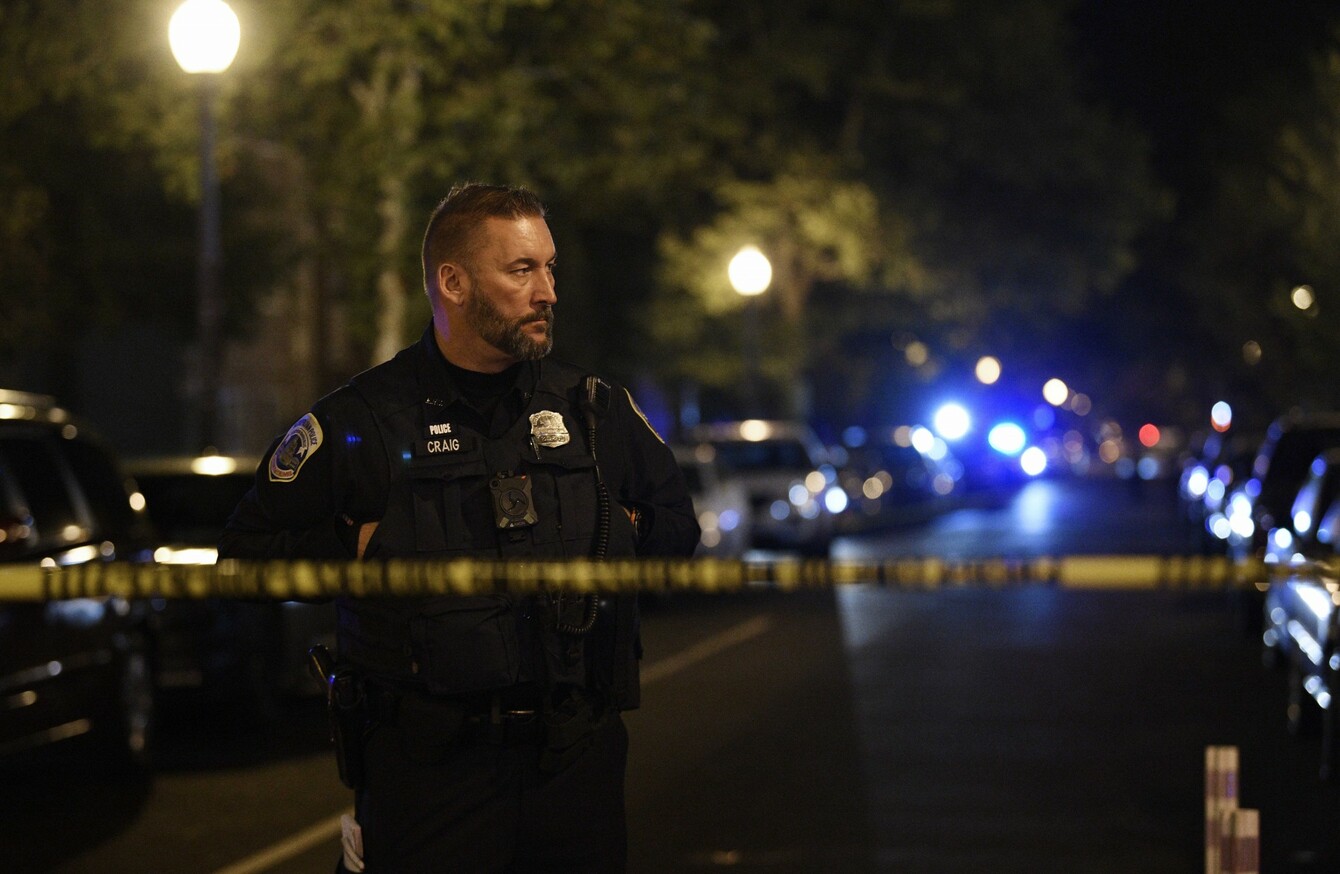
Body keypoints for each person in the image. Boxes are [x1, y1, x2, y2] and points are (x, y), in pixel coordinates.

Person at [219, 183, 701, 872]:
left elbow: (679, 528)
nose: (548, 292)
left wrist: (611, 528)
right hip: (429, 778)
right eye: (522, 270)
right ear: (453, 283)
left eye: (550, 268)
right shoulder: (364, 420)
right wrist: (358, 548)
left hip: (576, 769)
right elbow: (243, 560)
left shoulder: (592, 410)